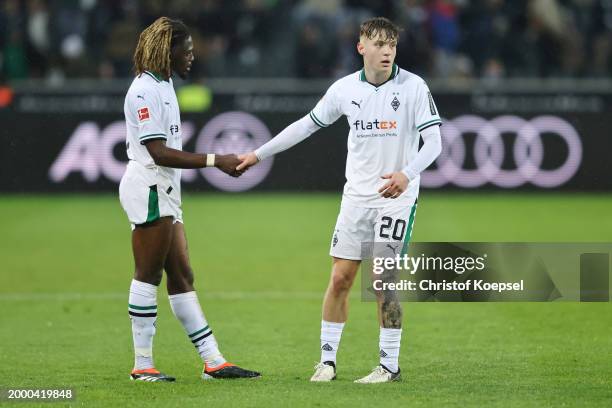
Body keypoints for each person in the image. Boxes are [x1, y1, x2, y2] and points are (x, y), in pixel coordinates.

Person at [237, 17, 442, 383]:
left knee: (382, 278)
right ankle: (327, 362)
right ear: (361, 47)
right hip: (356, 197)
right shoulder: (344, 90)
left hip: (396, 196)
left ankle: (389, 366)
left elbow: (436, 143)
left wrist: (405, 175)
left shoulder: (413, 87)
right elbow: (305, 125)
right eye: (379, 44)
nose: (387, 51)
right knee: (340, 278)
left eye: (392, 45)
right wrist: (259, 154)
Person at [119, 17, 260, 382]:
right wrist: (217, 160)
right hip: (150, 185)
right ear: (170, 50)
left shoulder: (164, 84)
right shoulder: (143, 91)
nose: (193, 57)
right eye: (188, 50)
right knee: (147, 274)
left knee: (182, 275)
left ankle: (213, 362)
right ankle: (142, 365)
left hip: (164, 188)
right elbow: (158, 153)